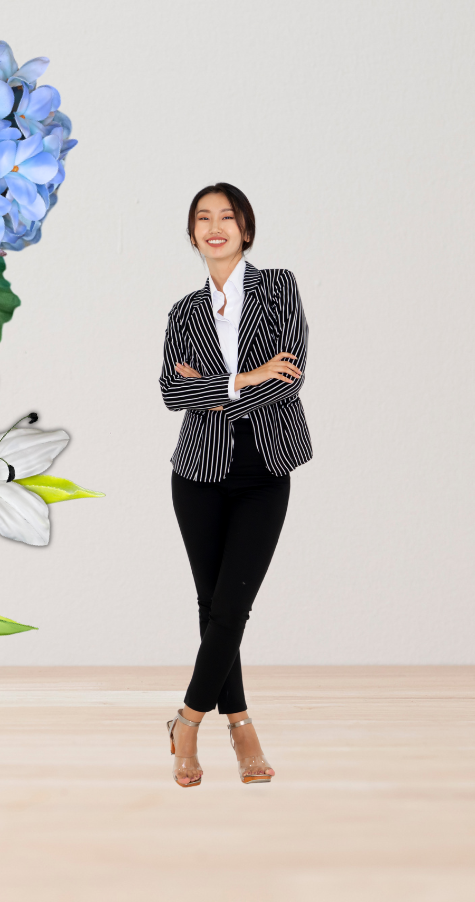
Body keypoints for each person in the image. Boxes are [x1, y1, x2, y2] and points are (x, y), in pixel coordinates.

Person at [158, 183, 312, 786]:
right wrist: (247, 376)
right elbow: (173, 394)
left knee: (232, 606)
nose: (215, 226)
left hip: (267, 471)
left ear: (246, 229)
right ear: (192, 233)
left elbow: (290, 376)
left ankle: (188, 720)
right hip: (196, 474)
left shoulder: (280, 288)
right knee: (213, 607)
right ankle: (241, 720)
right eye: (203, 218)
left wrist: (214, 385)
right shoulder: (184, 313)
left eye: (228, 216)